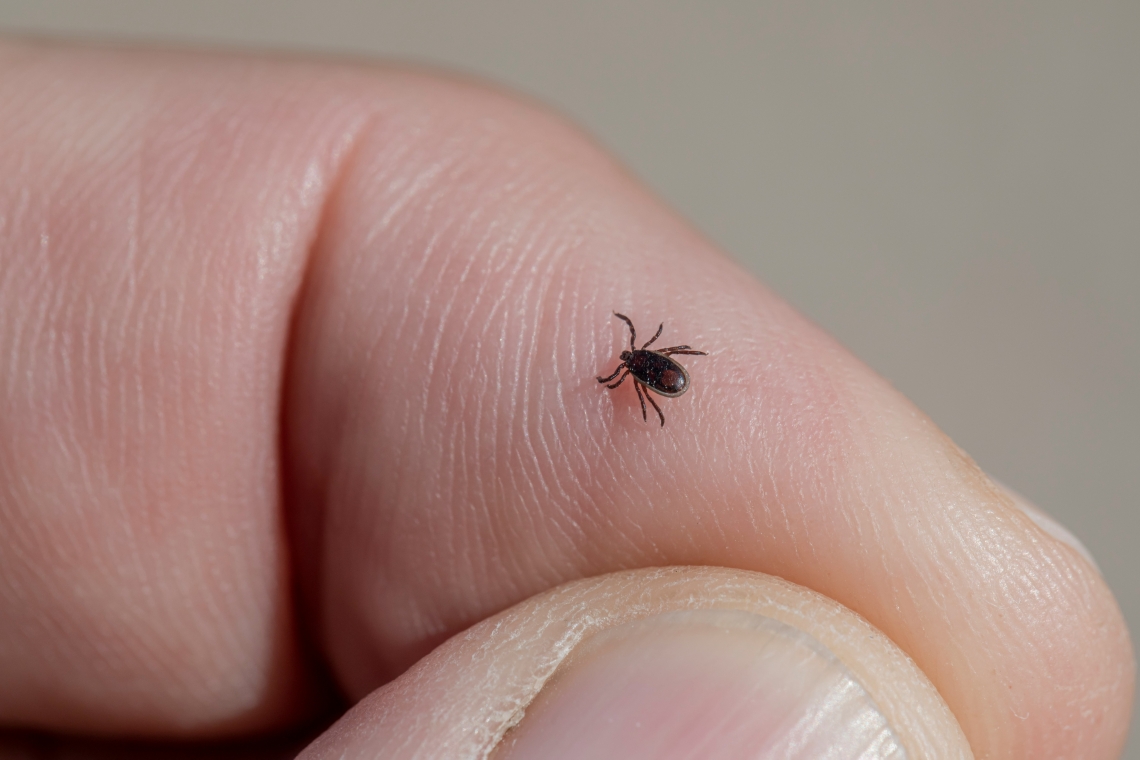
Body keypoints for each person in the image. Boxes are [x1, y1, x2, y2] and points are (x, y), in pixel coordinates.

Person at [0, 41, 1131, 759]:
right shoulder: (647, 372)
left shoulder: (636, 370)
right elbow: (659, 365)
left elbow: (650, 364)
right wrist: (649, 384)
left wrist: (637, 378)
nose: (640, 371)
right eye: (639, 368)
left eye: (641, 367)